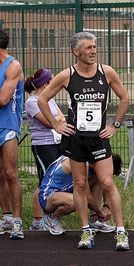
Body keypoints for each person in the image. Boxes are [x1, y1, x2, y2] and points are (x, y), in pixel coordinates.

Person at [37, 31, 130, 251]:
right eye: (88, 48)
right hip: (76, 140)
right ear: (76, 51)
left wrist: (114, 125)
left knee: (107, 182)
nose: (93, 51)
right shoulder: (67, 75)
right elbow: (42, 99)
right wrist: (56, 125)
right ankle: (86, 230)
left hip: (99, 139)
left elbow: (124, 97)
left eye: (94, 47)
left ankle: (121, 231)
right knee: (79, 184)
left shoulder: (106, 72)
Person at [38, 153, 122, 236]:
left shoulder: (93, 164)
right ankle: (52, 217)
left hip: (67, 191)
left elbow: (107, 185)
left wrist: (107, 206)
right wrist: (100, 213)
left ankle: (94, 220)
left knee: (100, 178)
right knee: (78, 202)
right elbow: (88, 199)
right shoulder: (79, 164)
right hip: (49, 196)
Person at [24, 68, 65, 231]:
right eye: (52, 80)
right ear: (46, 83)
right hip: (42, 145)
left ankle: (49, 216)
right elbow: (48, 122)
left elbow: (61, 117)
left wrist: (56, 119)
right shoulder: (33, 102)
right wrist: (56, 120)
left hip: (56, 142)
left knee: (55, 179)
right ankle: (37, 219)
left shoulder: (49, 99)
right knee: (44, 181)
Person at [0, 29, 25, 240]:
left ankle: (18, 221)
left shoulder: (13, 66)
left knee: (10, 172)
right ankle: (6, 216)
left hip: (8, 126)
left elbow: (3, 99)